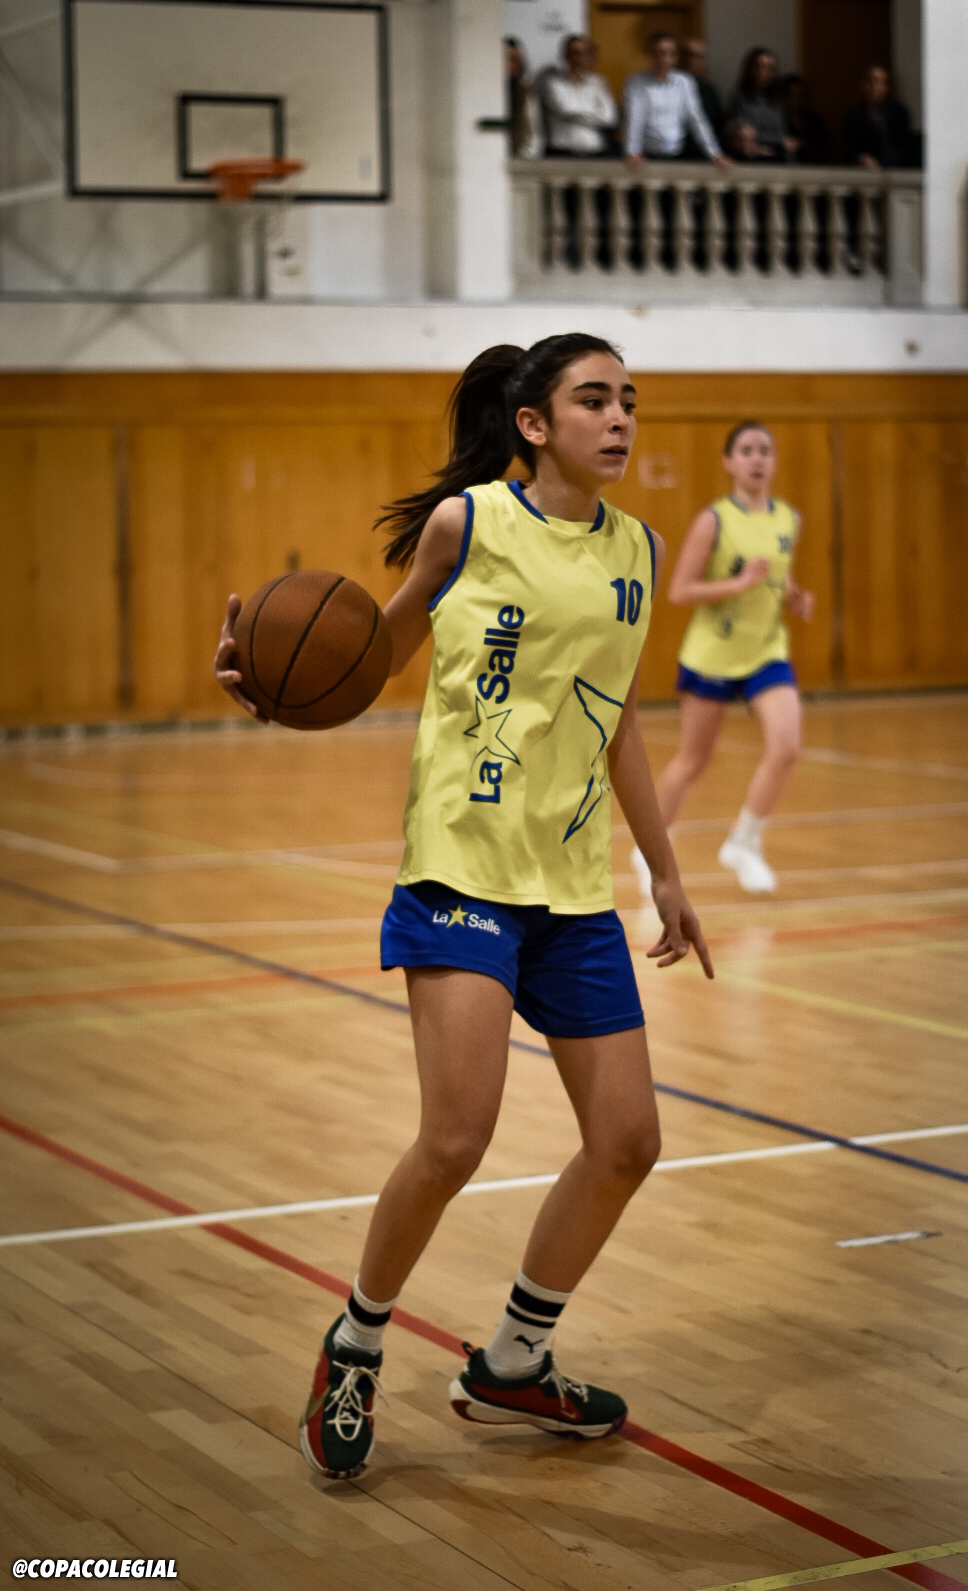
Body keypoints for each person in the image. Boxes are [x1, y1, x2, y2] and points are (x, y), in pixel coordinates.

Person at [214, 334, 713, 1478]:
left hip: (571, 885)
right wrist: (274, 687)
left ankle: (513, 1363)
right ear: (534, 423)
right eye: (595, 400)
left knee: (628, 1142)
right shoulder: (468, 523)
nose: (620, 418)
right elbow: (371, 658)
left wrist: (665, 868)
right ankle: (355, 1345)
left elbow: (621, 716)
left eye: (629, 401)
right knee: (456, 1136)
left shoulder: (637, 549)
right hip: (461, 867)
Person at [631, 421, 814, 897]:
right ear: (729, 462)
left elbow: (778, 573)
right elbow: (679, 591)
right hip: (713, 653)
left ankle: (744, 841)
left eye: (765, 450)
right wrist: (737, 584)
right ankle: (649, 850)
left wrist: (793, 595)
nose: (757, 458)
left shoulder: (789, 519)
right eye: (747, 450)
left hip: (766, 650)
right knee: (694, 759)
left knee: (787, 746)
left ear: (774, 461)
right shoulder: (713, 520)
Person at [623, 32, 728, 168]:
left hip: (678, 155)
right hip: (647, 156)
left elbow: (696, 119)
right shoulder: (636, 82)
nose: (664, 58)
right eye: (659, 53)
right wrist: (632, 151)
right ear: (648, 55)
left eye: (670, 53)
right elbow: (635, 119)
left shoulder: (684, 81)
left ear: (675, 57)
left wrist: (715, 153)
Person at [540, 33, 618, 156]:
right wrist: (595, 113)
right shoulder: (552, 82)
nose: (577, 59)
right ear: (565, 55)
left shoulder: (598, 83)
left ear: (589, 57)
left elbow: (610, 118)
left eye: (582, 53)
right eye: (573, 53)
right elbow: (565, 109)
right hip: (561, 153)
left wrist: (574, 116)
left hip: (595, 153)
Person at [724, 47, 795, 162]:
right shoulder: (739, 99)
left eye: (768, 68)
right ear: (750, 68)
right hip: (749, 157)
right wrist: (779, 141)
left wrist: (780, 143)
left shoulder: (777, 101)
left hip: (777, 155)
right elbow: (745, 134)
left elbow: (782, 132)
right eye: (759, 66)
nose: (763, 72)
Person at [844, 64, 912, 169]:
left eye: (878, 82)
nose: (873, 86)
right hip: (862, 171)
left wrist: (879, 162)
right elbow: (849, 147)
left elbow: (903, 147)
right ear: (863, 85)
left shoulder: (898, 113)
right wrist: (860, 158)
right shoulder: (854, 115)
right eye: (869, 81)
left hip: (894, 171)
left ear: (886, 87)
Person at [678, 37, 725, 155]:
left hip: (703, 155)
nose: (691, 60)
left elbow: (717, 124)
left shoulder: (709, 91)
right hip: (673, 153)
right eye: (687, 55)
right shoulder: (668, 87)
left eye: (696, 56)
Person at [505, 37, 544, 159]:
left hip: (518, 160)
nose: (514, 65)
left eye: (517, 60)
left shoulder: (525, 93)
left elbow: (534, 136)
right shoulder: (486, 93)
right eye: (510, 59)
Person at [780, 73, 830, 165]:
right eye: (791, 95)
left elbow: (825, 142)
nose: (795, 100)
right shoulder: (779, 119)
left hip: (812, 166)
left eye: (799, 95)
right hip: (784, 167)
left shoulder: (813, 120)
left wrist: (802, 143)